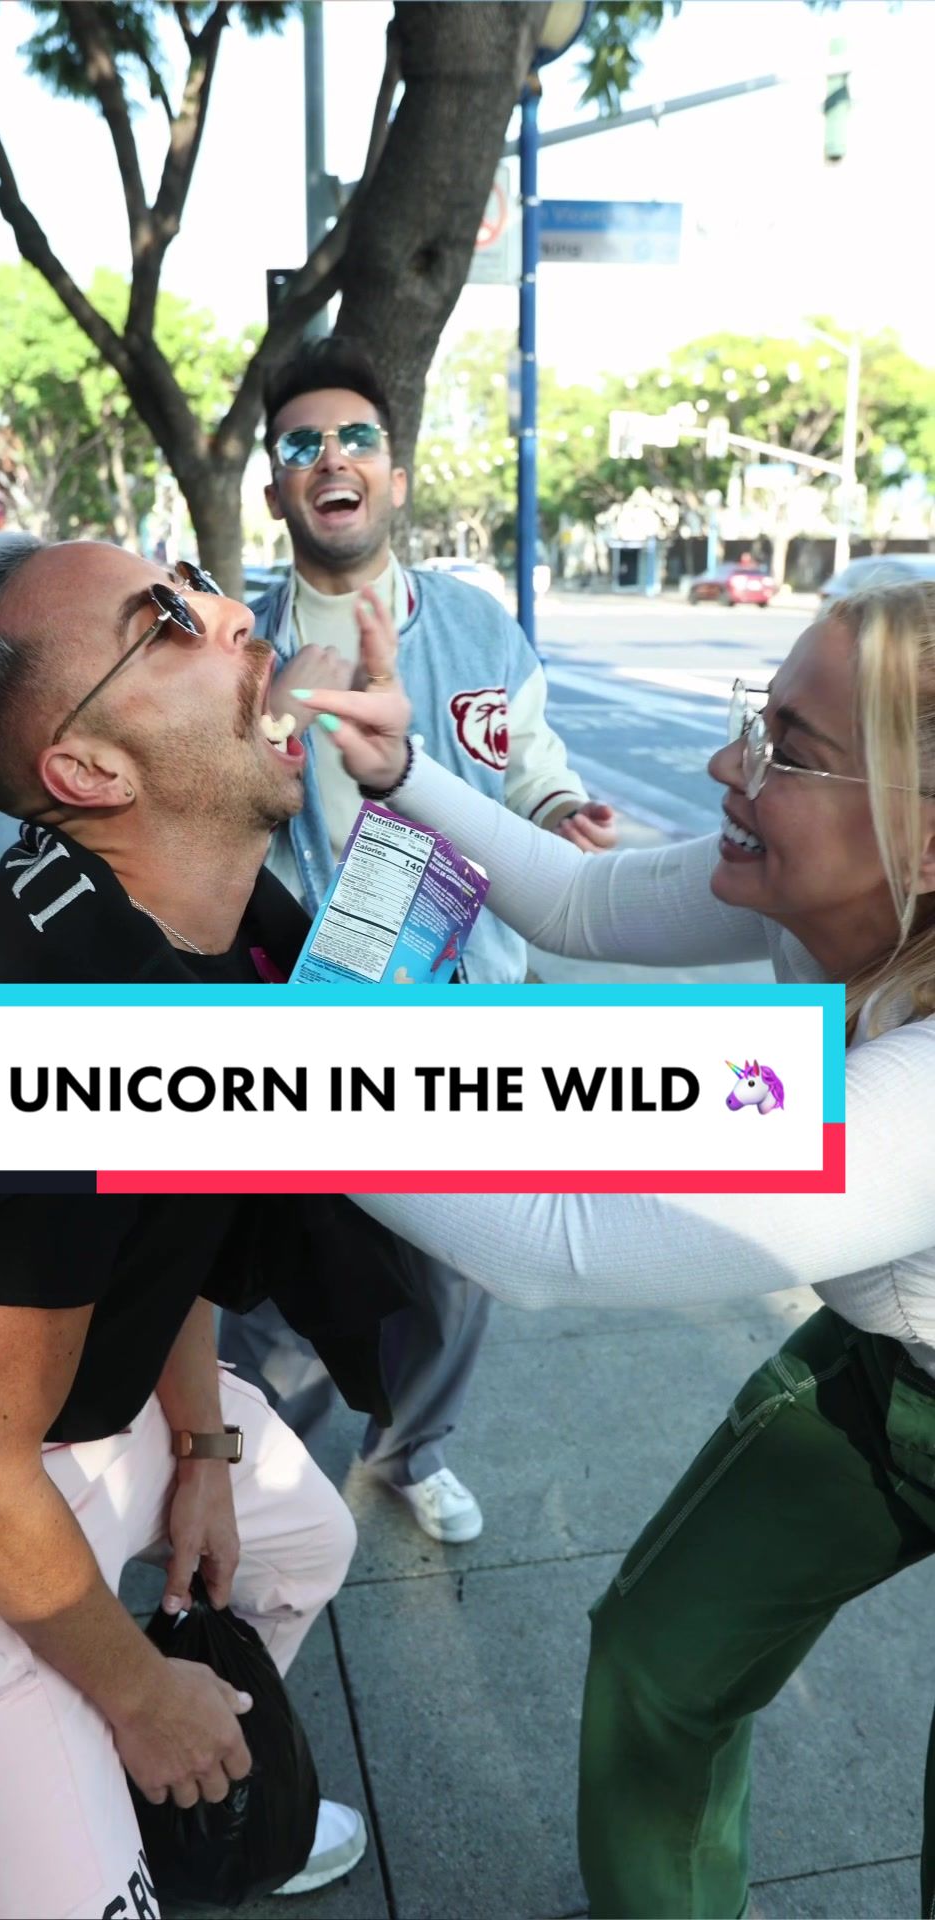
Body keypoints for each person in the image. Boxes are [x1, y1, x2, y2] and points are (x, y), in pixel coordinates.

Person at [293, 576, 935, 1917]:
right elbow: (581, 901)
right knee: (661, 1655)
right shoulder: (816, 892)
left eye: (790, 749)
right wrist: (400, 770)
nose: (726, 767)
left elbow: (559, 1242)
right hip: (895, 1366)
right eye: (755, 718)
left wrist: (246, 1085)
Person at [0, 534, 416, 1919]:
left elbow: (174, 1227)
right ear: (91, 772)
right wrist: (139, 1692)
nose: (231, 612)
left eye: (194, 583)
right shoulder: (41, 1034)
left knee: (304, 1541)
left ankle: (172, 1778)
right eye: (165, 619)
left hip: (91, 1424)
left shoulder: (226, 925)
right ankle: (135, 1775)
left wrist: (206, 1448)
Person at [219, 335, 617, 1547]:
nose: (330, 457)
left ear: (393, 474)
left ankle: (410, 1451)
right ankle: (248, 1475)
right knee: (274, 1273)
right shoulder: (238, 648)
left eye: (356, 438)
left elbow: (530, 765)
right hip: (298, 1007)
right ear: (277, 486)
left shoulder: (480, 628)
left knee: (459, 1274)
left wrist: (561, 811)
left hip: (466, 1003)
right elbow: (208, 811)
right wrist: (268, 720)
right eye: (302, 443)